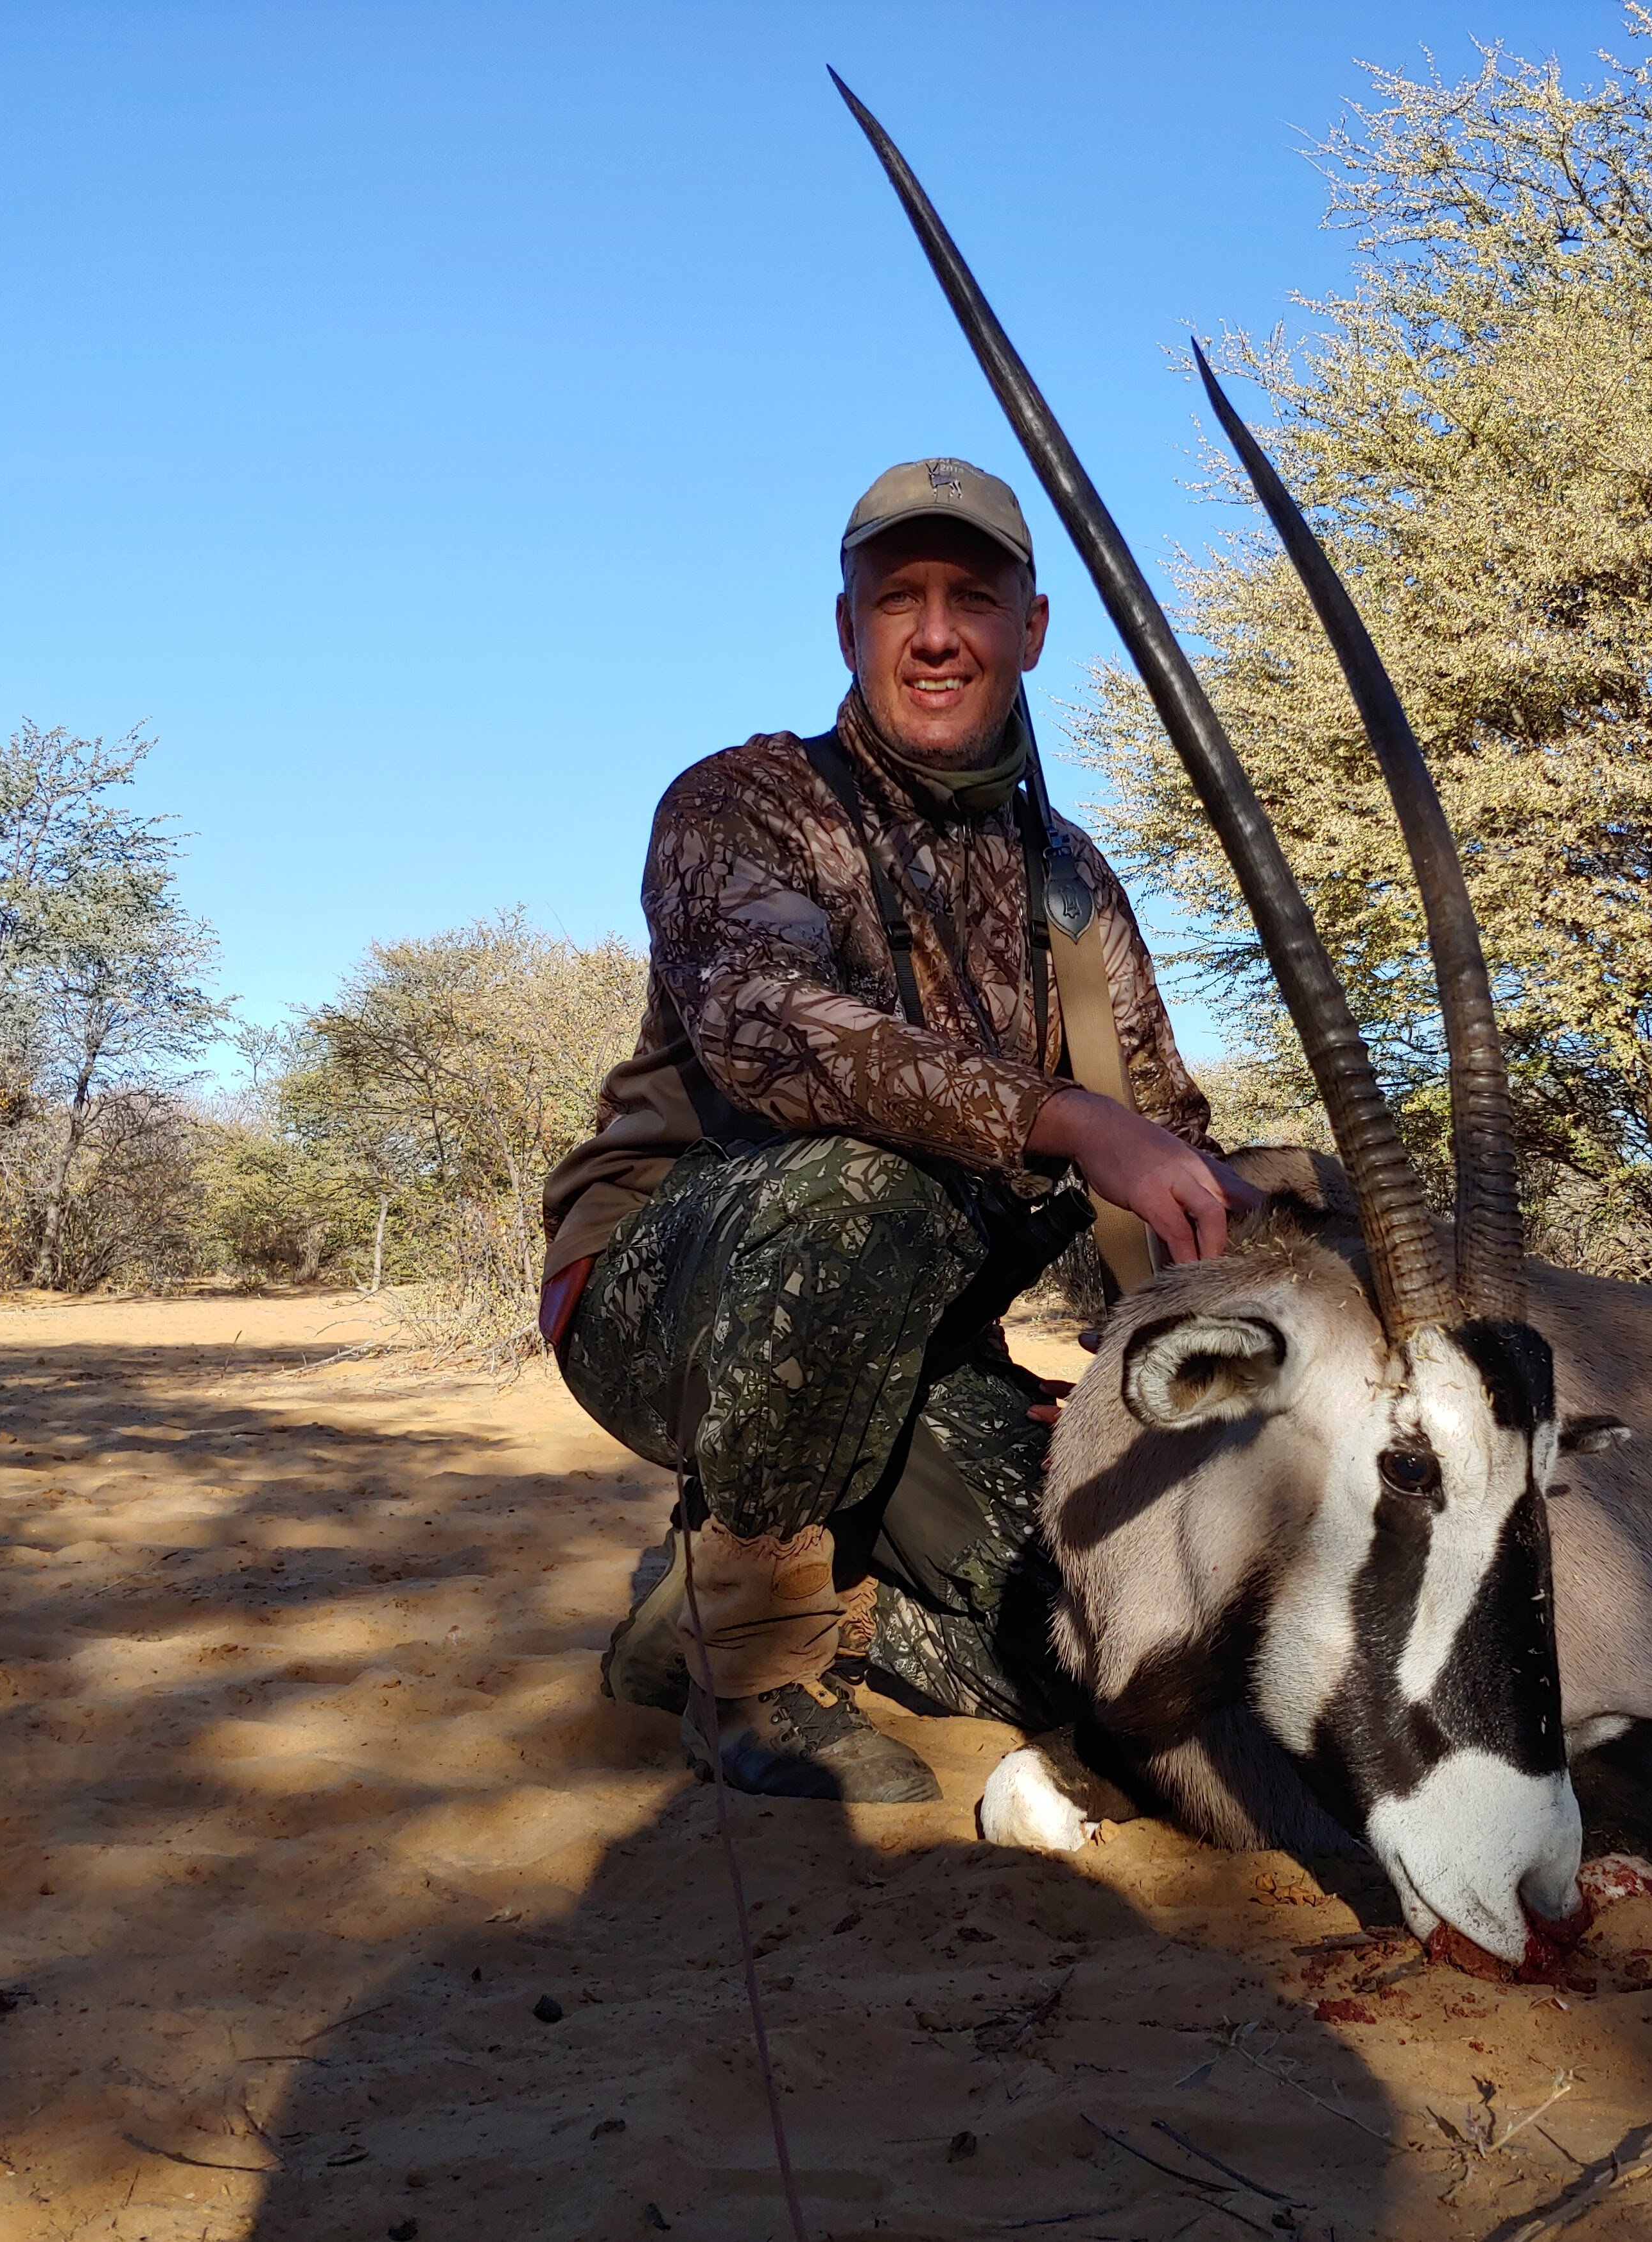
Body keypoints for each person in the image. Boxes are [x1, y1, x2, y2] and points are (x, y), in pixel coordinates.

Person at [539, 456, 1259, 1803]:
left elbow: (1162, 1141)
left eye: (973, 598)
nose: (936, 633)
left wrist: (1247, 1252)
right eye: (899, 600)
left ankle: (710, 1611)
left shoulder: (1074, 884)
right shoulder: (741, 804)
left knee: (1093, 1650)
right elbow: (772, 1033)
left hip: (909, 1342)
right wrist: (1067, 1120)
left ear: (1030, 629)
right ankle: (748, 1659)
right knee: (866, 1189)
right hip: (662, 1299)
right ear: (848, 627)